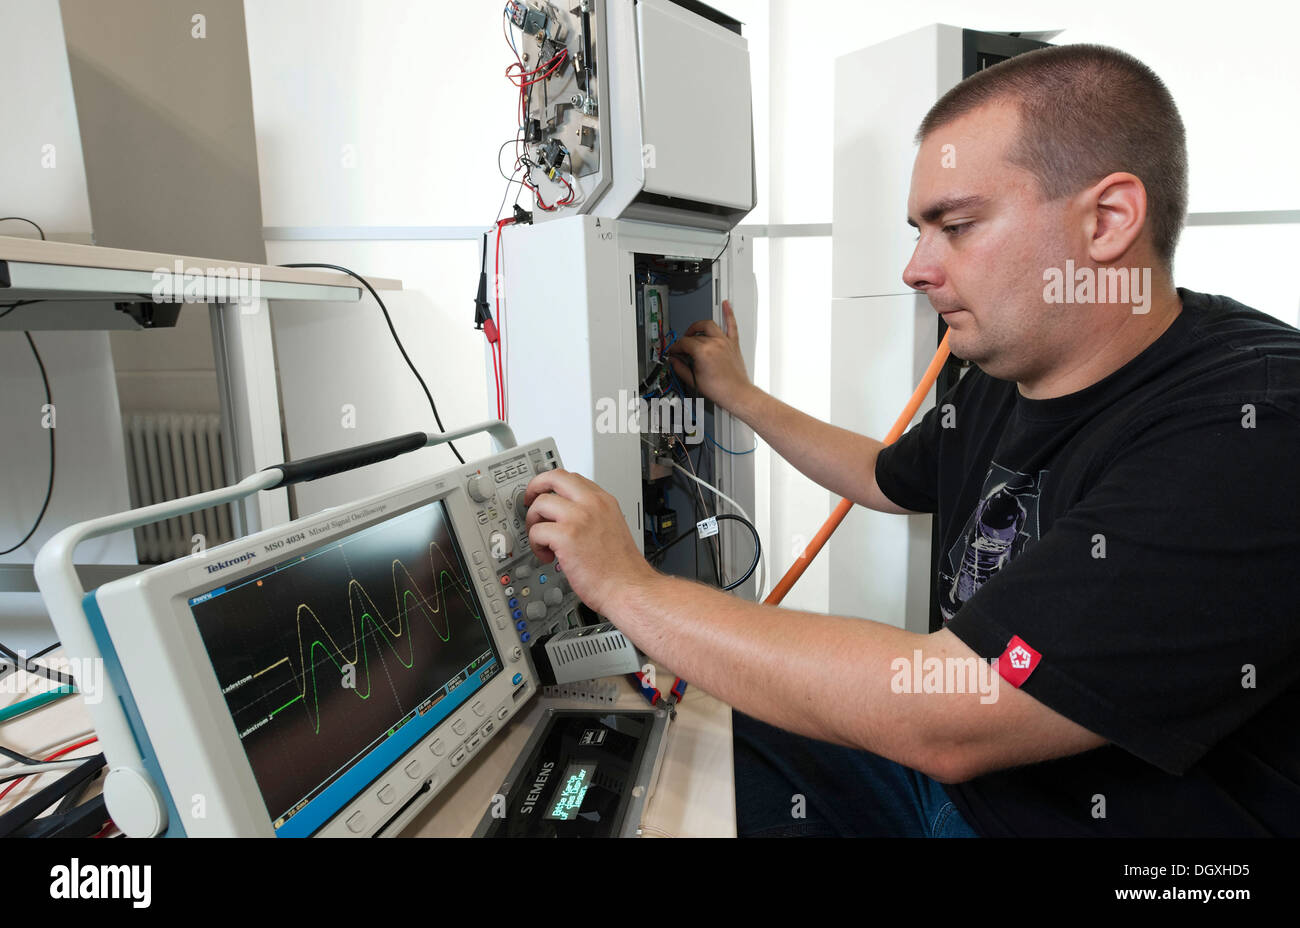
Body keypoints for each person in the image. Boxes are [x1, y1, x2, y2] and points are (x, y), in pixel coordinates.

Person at [521, 43, 1300, 836]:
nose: (915, 269)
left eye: (955, 226)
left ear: (1107, 220)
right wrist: (740, 395)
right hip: (960, 783)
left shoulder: (1253, 426)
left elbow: (950, 715)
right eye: (918, 229)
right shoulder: (1017, 366)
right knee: (685, 759)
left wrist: (628, 588)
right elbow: (882, 475)